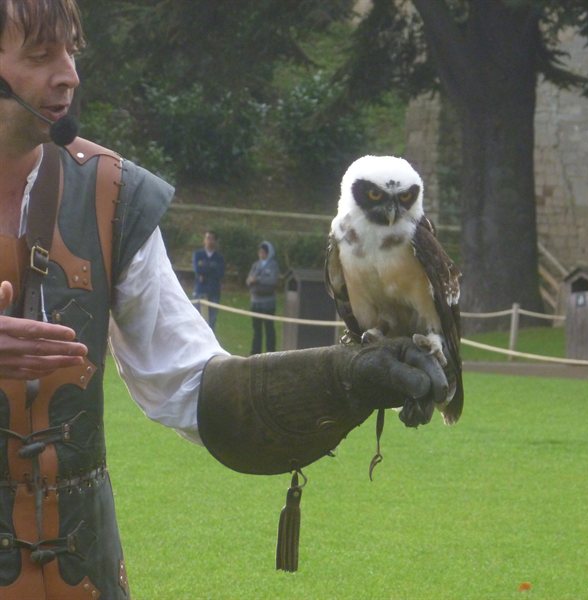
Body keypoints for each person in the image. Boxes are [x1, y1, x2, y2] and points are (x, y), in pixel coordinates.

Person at [0, 1, 450, 597]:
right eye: (40, 55)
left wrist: (346, 378)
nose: (69, 75)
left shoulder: (109, 194)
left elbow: (193, 384)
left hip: (77, 578)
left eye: (72, 50)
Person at [246, 240, 279, 354]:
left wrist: (258, 280)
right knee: (257, 330)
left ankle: (271, 351)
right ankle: (255, 352)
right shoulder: (255, 265)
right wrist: (251, 281)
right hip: (256, 302)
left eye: (263, 252)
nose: (261, 254)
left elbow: (272, 280)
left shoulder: (273, 265)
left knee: (269, 328)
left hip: (268, 303)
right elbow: (249, 279)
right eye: (259, 252)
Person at [192, 229, 225, 331]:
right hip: (200, 291)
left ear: (215, 241)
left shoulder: (219, 258)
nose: (209, 241)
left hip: (213, 292)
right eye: (207, 238)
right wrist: (211, 268)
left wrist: (205, 270)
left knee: (211, 321)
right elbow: (197, 270)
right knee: (198, 321)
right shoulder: (198, 255)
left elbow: (220, 273)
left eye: (211, 239)